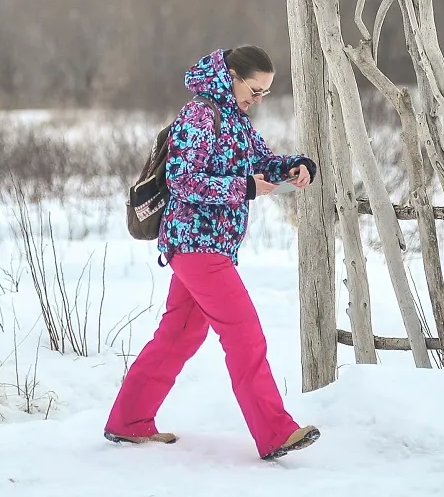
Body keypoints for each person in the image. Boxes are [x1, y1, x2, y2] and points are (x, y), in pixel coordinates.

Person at [104, 46, 321, 461]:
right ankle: (275, 431)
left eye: (265, 94)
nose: (257, 99)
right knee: (245, 334)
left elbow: (264, 160)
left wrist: (296, 167)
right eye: (254, 90)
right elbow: (184, 181)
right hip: (195, 242)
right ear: (232, 76)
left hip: (208, 244)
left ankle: (128, 421)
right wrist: (245, 188)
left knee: (180, 334)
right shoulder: (200, 114)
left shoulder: (235, 120)